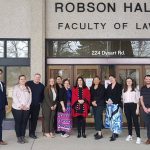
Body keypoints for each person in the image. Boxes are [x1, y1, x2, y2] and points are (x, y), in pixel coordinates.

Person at [12, 75, 32, 144]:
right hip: (17, 108)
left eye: (24, 79)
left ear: (25, 80)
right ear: (19, 80)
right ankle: (19, 137)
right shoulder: (16, 88)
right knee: (18, 123)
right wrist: (20, 106)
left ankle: (23, 136)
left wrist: (27, 105)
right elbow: (14, 97)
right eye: (21, 79)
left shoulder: (28, 88)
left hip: (26, 108)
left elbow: (30, 98)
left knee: (24, 123)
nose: (23, 80)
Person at [122, 77, 141, 144]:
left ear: (132, 82)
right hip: (126, 106)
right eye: (127, 81)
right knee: (129, 122)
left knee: (135, 122)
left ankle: (138, 137)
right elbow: (123, 101)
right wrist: (124, 109)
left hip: (134, 106)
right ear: (126, 82)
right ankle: (130, 135)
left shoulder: (136, 90)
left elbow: (138, 100)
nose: (129, 82)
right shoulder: (124, 90)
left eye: (130, 81)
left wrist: (137, 109)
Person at [26, 73, 45, 139]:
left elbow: (43, 96)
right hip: (27, 105)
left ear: (40, 78)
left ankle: (32, 133)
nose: (37, 78)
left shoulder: (42, 86)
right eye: (36, 77)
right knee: (25, 119)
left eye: (39, 77)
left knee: (34, 120)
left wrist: (40, 102)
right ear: (34, 77)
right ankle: (22, 134)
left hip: (36, 105)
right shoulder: (28, 83)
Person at [105, 75, 122, 141]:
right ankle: (115, 132)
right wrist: (107, 100)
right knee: (111, 119)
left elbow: (119, 95)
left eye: (112, 78)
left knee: (116, 119)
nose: (111, 80)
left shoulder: (119, 85)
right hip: (109, 105)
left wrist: (112, 101)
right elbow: (106, 94)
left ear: (115, 78)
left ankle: (114, 134)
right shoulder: (109, 86)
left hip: (116, 105)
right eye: (109, 79)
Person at [140, 75, 150, 144]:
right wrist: (144, 107)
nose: (148, 80)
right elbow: (141, 99)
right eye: (146, 79)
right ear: (144, 80)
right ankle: (149, 138)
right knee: (148, 124)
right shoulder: (142, 88)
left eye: (149, 79)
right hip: (145, 109)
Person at [0, 69, 8, 145]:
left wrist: (6, 104)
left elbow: (4, 95)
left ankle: (0, 140)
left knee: (0, 124)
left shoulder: (2, 83)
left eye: (0, 74)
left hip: (2, 108)